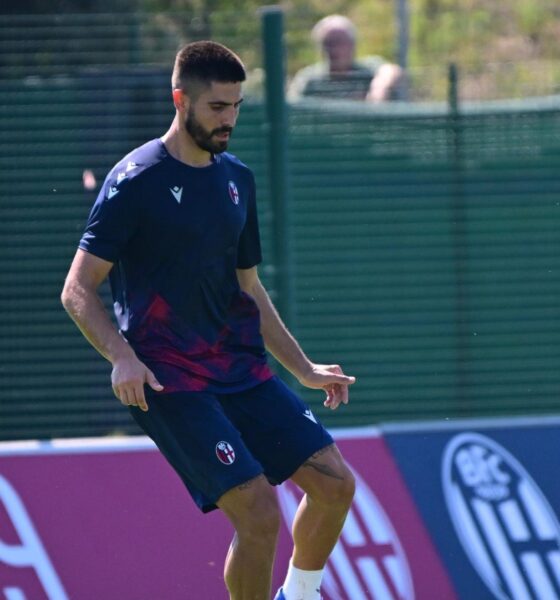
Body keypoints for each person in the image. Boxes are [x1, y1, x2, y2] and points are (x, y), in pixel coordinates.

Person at [61, 41, 356, 600]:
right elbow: (77, 289)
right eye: (218, 107)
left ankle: (299, 594)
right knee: (259, 514)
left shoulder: (236, 180)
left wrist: (305, 369)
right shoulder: (134, 181)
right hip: (170, 378)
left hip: (239, 368)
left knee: (336, 484)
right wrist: (121, 354)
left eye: (238, 106)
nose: (230, 119)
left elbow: (249, 289)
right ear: (181, 100)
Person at [289, 14, 404, 102]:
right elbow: (293, 107)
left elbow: (391, 70)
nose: (333, 49)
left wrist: (379, 89)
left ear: (352, 45)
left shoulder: (366, 71)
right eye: (327, 43)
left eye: (339, 42)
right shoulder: (310, 79)